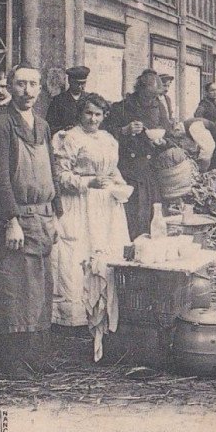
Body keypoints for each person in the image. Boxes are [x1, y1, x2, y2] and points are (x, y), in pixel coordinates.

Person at [0, 62, 64, 379]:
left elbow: (52, 172)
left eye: (33, 84)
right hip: (17, 219)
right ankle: (12, 361)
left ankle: (34, 356)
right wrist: (10, 220)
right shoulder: (0, 126)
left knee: (40, 289)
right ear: (10, 88)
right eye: (20, 84)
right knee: (14, 289)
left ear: (40, 89)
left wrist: (56, 213)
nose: (27, 90)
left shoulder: (43, 126)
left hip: (42, 218)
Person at [51, 93, 131, 359]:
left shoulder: (108, 139)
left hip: (106, 206)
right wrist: (87, 183)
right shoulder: (69, 138)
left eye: (98, 114)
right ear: (80, 114)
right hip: (80, 205)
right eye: (88, 114)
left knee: (106, 256)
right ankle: (75, 323)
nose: (93, 119)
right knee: (78, 259)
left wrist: (119, 186)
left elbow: (113, 171)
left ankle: (104, 319)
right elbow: (60, 175)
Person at [103, 70, 172, 240]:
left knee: (151, 214)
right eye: (148, 96)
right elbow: (103, 134)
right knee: (131, 216)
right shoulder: (122, 107)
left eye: (155, 96)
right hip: (128, 170)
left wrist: (163, 143)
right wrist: (123, 131)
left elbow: (167, 132)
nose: (152, 100)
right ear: (139, 90)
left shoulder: (159, 107)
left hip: (150, 170)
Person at [45, 66, 90, 135]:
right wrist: (64, 129)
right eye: (77, 83)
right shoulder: (58, 101)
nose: (80, 86)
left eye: (83, 83)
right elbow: (49, 126)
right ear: (69, 81)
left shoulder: (89, 99)